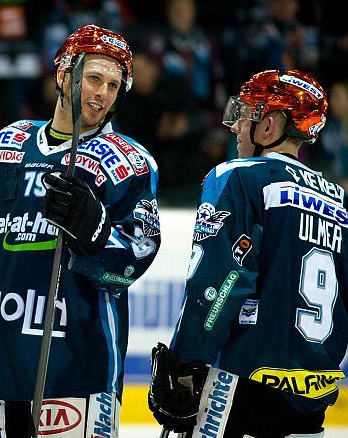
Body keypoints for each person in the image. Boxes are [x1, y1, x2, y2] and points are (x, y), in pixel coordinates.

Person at [0, 24, 162, 437]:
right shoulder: (5, 147)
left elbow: (133, 261)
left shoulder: (128, 162)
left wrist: (94, 232)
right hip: (0, 376)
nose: (103, 94)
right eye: (94, 78)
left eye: (113, 85)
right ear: (63, 76)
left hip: (79, 375)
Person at [148, 69, 347, 437]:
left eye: (246, 114)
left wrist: (186, 361)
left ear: (269, 126)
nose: (236, 126)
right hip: (312, 402)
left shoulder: (239, 176)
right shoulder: (340, 200)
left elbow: (220, 279)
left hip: (239, 391)